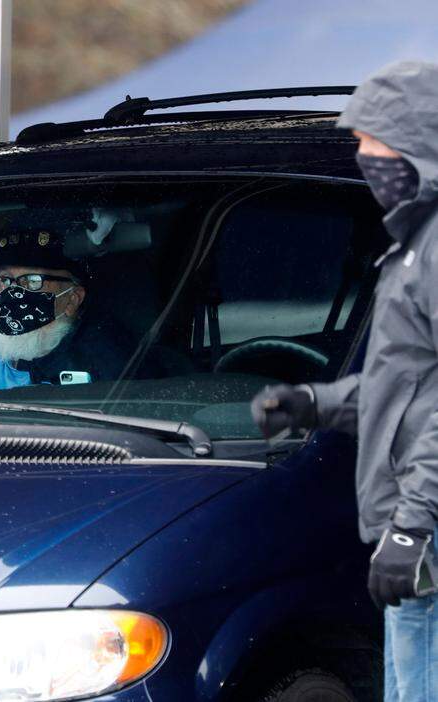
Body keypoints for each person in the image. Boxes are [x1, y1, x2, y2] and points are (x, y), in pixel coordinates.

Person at [249, 61, 438, 701]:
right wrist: (313, 402)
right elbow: (401, 387)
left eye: (373, 141)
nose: (361, 155)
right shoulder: (413, 247)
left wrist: (414, 527)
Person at [0, 229, 132, 393]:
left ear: (73, 299)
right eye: (4, 280)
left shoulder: (99, 368)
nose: (13, 292)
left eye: (33, 281)